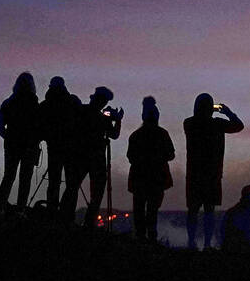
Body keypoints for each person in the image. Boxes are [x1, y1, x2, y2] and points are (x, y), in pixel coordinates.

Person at [183, 93, 243, 250]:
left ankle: (191, 242)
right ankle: (207, 244)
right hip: (212, 175)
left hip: (194, 175)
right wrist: (228, 112)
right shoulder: (217, 124)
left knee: (193, 211)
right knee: (209, 212)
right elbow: (239, 126)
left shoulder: (189, 123)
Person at [60, 86, 122, 224]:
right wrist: (117, 120)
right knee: (97, 192)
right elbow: (114, 135)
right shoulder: (101, 118)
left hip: (79, 156)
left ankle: (66, 218)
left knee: (72, 187)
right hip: (96, 158)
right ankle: (89, 222)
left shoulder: (80, 110)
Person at [126, 96, 176, 241]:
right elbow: (171, 154)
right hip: (157, 178)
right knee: (152, 210)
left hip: (139, 178)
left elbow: (130, 157)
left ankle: (141, 238)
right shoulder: (163, 134)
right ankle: (151, 238)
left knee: (139, 210)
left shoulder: (135, 135)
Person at [0, 72, 41, 212]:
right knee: (25, 180)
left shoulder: (8, 102)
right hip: (29, 147)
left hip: (12, 146)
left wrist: (8, 138)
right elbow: (39, 127)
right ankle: (20, 210)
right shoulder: (35, 104)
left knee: (8, 176)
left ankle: (0, 208)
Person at [37, 76, 78, 214]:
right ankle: (67, 213)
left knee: (54, 181)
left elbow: (40, 127)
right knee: (72, 182)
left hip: (53, 147)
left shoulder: (45, 105)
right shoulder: (72, 101)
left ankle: (51, 211)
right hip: (71, 147)